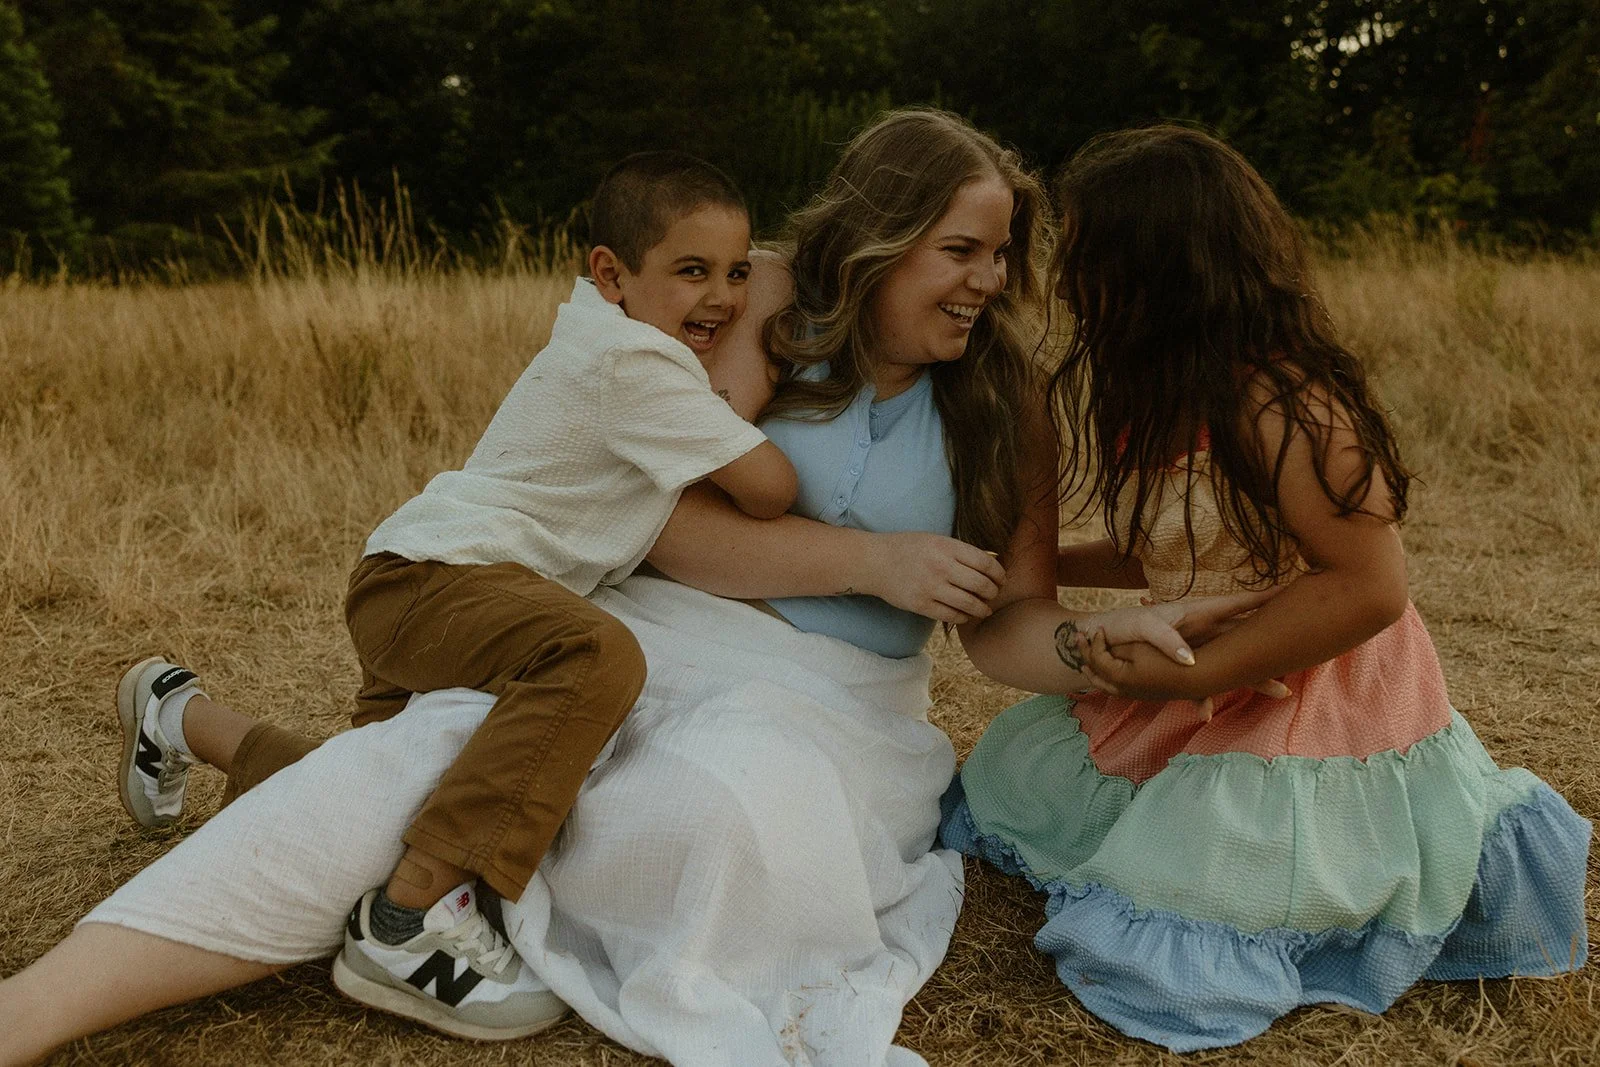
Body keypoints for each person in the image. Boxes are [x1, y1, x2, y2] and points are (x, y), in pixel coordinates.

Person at [0, 110, 1267, 1067]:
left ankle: (203, 729)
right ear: (880, 241)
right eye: (962, 250)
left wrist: (1103, 643)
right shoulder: (763, 301)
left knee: (703, 815)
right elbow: (670, 531)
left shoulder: (1007, 402)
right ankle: (37, 1007)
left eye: (1003, 255)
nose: (990, 280)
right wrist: (874, 558)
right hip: (640, 629)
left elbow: (1009, 626)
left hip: (832, 701)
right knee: (401, 766)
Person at [114, 149, 798, 1040]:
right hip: (441, 583)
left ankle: (180, 714)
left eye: (740, 273)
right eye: (693, 271)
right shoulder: (636, 364)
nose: (723, 298)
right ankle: (406, 921)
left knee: (375, 803)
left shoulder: (614, 337)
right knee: (596, 653)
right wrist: (764, 371)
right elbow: (770, 488)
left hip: (423, 583)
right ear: (611, 274)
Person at [939, 125, 1593, 1053]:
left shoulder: (1286, 405)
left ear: (1163, 270)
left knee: (1198, 895)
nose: (1068, 281)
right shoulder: (1169, 397)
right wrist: (1031, 569)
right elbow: (1181, 545)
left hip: (1304, 681)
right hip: (1204, 661)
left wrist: (1195, 675)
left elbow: (1369, 586)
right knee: (1013, 780)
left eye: (1088, 258)